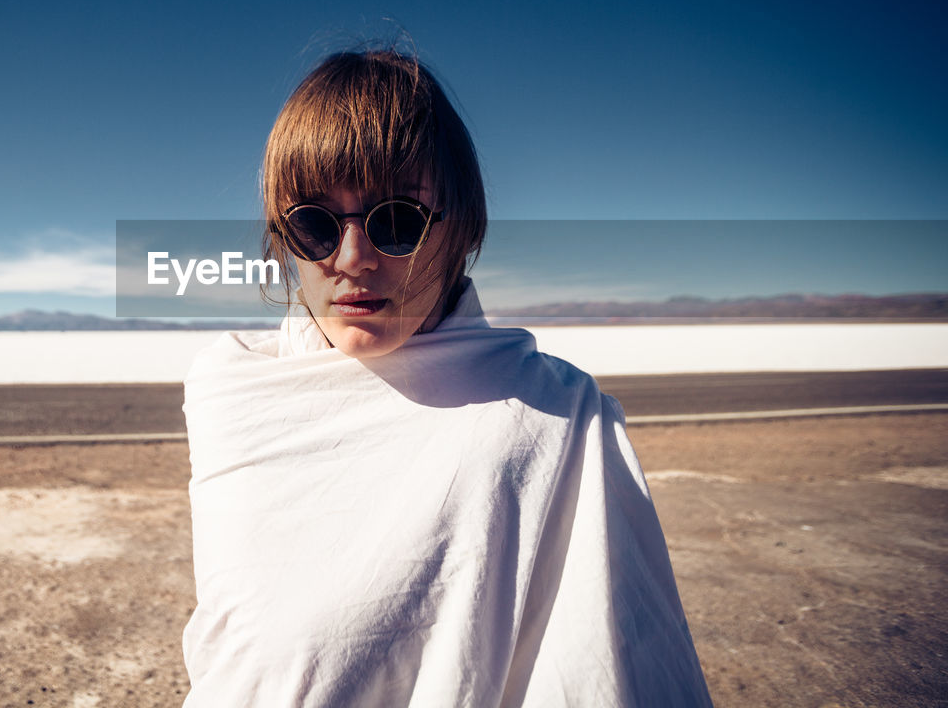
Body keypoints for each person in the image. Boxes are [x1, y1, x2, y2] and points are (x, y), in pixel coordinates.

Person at [181, 49, 712, 706]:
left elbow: (610, 668)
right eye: (314, 224)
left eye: (398, 220)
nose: (352, 258)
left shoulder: (554, 418)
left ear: (459, 228)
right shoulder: (231, 391)